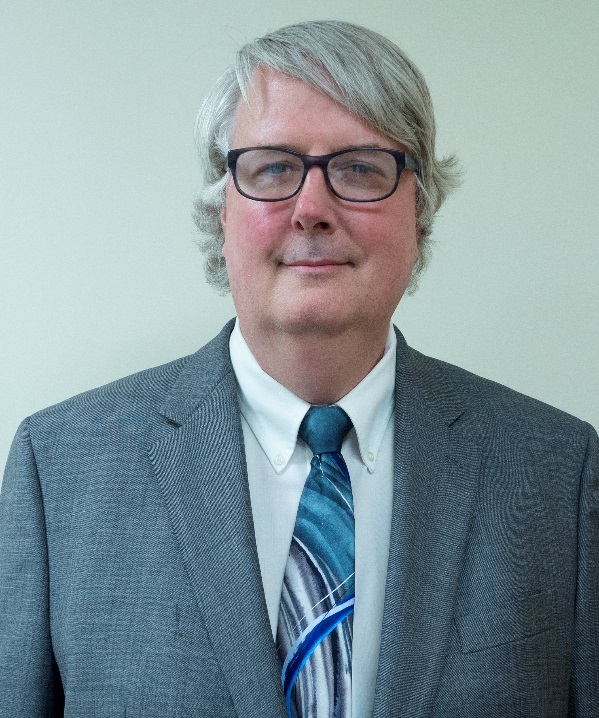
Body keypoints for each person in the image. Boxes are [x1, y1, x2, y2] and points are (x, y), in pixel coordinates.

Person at [0, 20, 597, 718]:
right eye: (274, 169)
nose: (311, 209)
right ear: (221, 210)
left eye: (360, 168)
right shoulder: (60, 469)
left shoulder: (557, 472)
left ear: (419, 210)